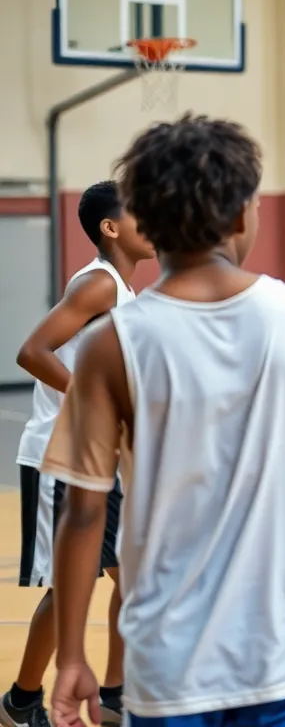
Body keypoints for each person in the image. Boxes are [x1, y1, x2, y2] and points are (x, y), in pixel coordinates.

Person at [43, 114, 285, 727]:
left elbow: (83, 511)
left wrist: (69, 656)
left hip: (167, 663)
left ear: (145, 216)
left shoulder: (110, 345)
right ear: (245, 213)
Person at [6, 181, 154, 727]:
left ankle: (114, 695)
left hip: (99, 460)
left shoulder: (122, 289)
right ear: (111, 228)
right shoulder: (98, 284)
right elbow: (31, 351)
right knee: (69, 588)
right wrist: (97, 402)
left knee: (131, 578)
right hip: (57, 455)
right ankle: (21, 702)